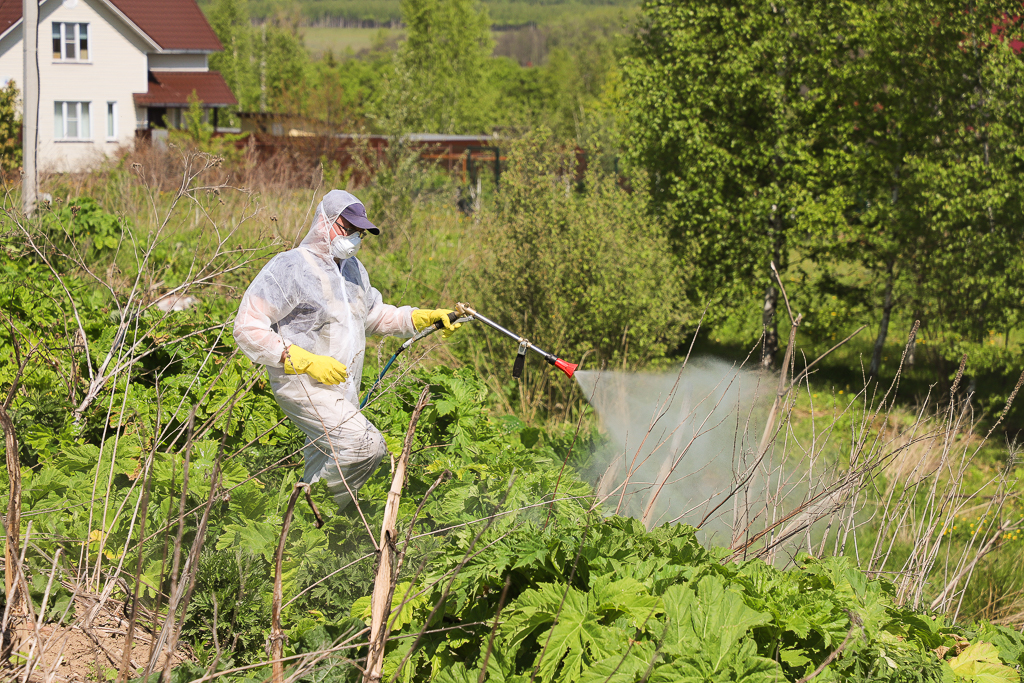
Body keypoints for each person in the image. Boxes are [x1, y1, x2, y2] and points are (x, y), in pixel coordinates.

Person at [233, 190, 458, 509]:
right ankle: (321, 517)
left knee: (328, 461)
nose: (353, 237)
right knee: (364, 445)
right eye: (346, 228)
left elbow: (375, 316)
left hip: (343, 386)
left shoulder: (354, 271)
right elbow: (247, 326)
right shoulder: (290, 266)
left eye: (360, 232)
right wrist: (300, 359)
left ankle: (297, 532)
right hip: (303, 384)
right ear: (323, 221)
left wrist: (420, 317)